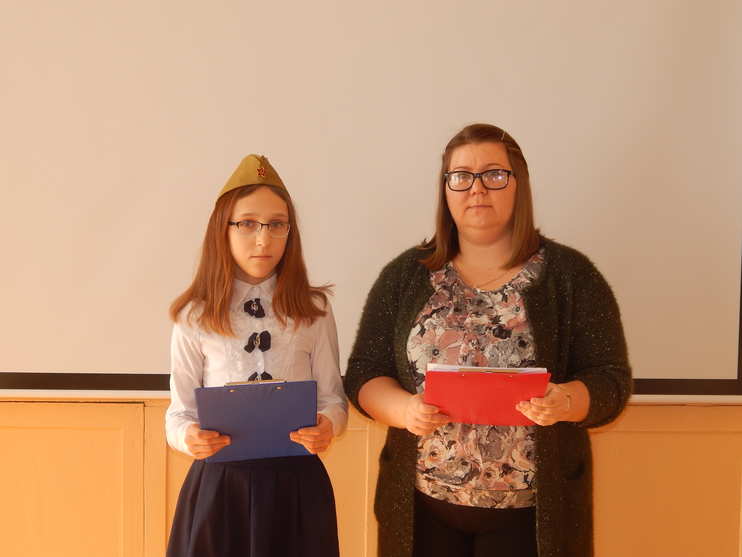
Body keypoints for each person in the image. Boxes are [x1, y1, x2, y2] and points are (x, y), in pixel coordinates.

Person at [344, 124, 631, 557]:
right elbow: (365, 372)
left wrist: (565, 401)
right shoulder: (405, 276)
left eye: (494, 174)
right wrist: (403, 410)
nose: (476, 188)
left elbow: (611, 380)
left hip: (532, 516)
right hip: (422, 510)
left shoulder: (571, 276)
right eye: (461, 176)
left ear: (519, 184)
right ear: (445, 189)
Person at [165, 154, 347, 557]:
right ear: (223, 228)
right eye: (247, 223)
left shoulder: (314, 309)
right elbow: (178, 414)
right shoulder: (194, 314)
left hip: (296, 487)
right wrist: (189, 436)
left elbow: (333, 399)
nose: (263, 240)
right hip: (220, 488)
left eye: (276, 224)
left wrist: (328, 425)